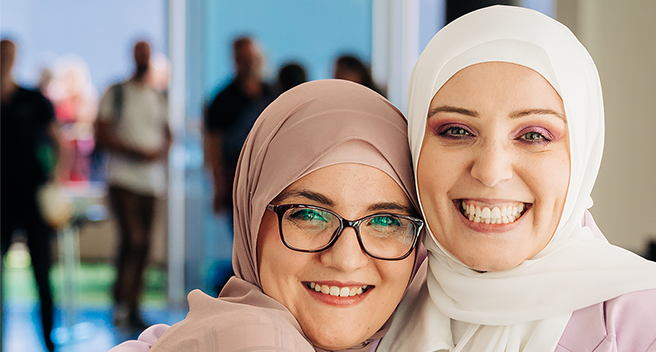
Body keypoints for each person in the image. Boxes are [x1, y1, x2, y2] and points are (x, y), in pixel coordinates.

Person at [379, 6, 656, 352]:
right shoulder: (376, 306)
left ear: (583, 154)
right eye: (457, 130)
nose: (490, 172)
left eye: (534, 135)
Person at [109, 79, 426, 352]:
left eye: (386, 221)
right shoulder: (250, 340)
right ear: (251, 219)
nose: (345, 259)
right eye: (308, 214)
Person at [96, 40, 171, 330]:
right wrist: (135, 152)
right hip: (123, 178)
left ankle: (133, 304)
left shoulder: (156, 95)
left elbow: (167, 133)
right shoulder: (116, 93)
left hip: (151, 183)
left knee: (143, 246)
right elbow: (101, 133)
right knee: (133, 239)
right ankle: (120, 302)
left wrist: (157, 151)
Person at [0, 38, 59, 352]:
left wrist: (55, 179)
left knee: (42, 273)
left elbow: (57, 140)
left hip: (32, 197)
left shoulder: (33, 100)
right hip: (2, 201)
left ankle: (48, 339)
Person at [204, 36, 273, 216]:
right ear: (235, 59)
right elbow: (213, 145)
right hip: (235, 181)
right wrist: (218, 186)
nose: (249, 63)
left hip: (269, 179)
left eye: (251, 57)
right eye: (243, 58)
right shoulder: (222, 99)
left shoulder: (272, 93)